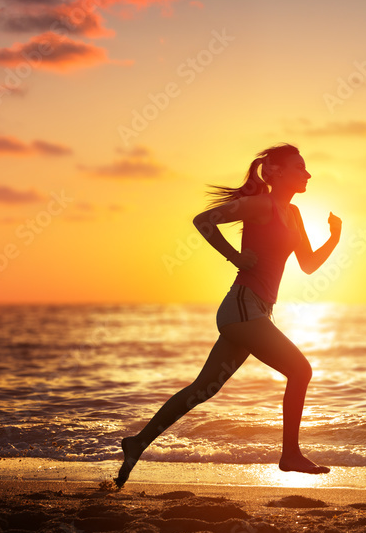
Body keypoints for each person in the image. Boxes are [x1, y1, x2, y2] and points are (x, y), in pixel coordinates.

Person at [115, 143, 340, 488]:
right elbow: (203, 220)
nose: (308, 174)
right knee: (301, 370)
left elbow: (308, 265)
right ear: (276, 172)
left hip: (257, 311)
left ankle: (137, 443)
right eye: (300, 167)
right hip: (242, 307)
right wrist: (234, 257)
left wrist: (334, 239)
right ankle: (290, 454)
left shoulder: (292, 214)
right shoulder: (261, 205)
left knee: (202, 389)